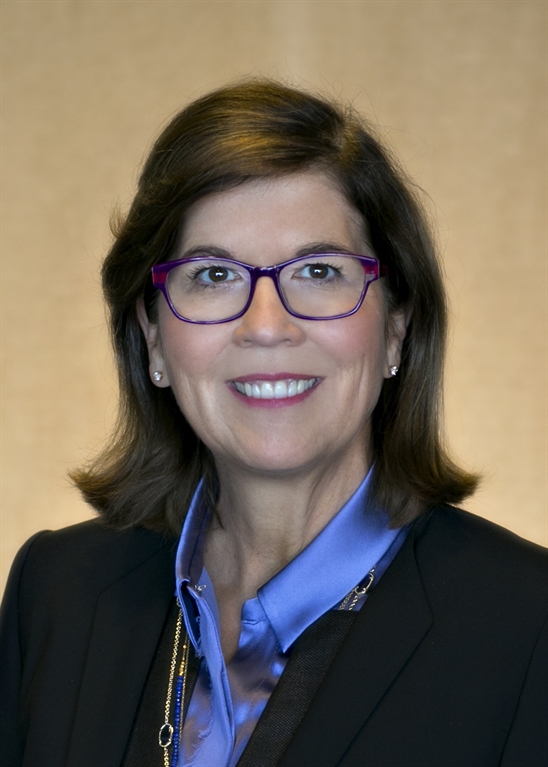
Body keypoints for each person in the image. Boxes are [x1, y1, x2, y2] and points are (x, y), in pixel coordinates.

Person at [1, 80, 546, 767]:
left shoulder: (528, 627)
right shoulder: (57, 593)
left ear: (397, 331)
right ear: (154, 338)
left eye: (319, 270)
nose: (266, 326)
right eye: (213, 276)